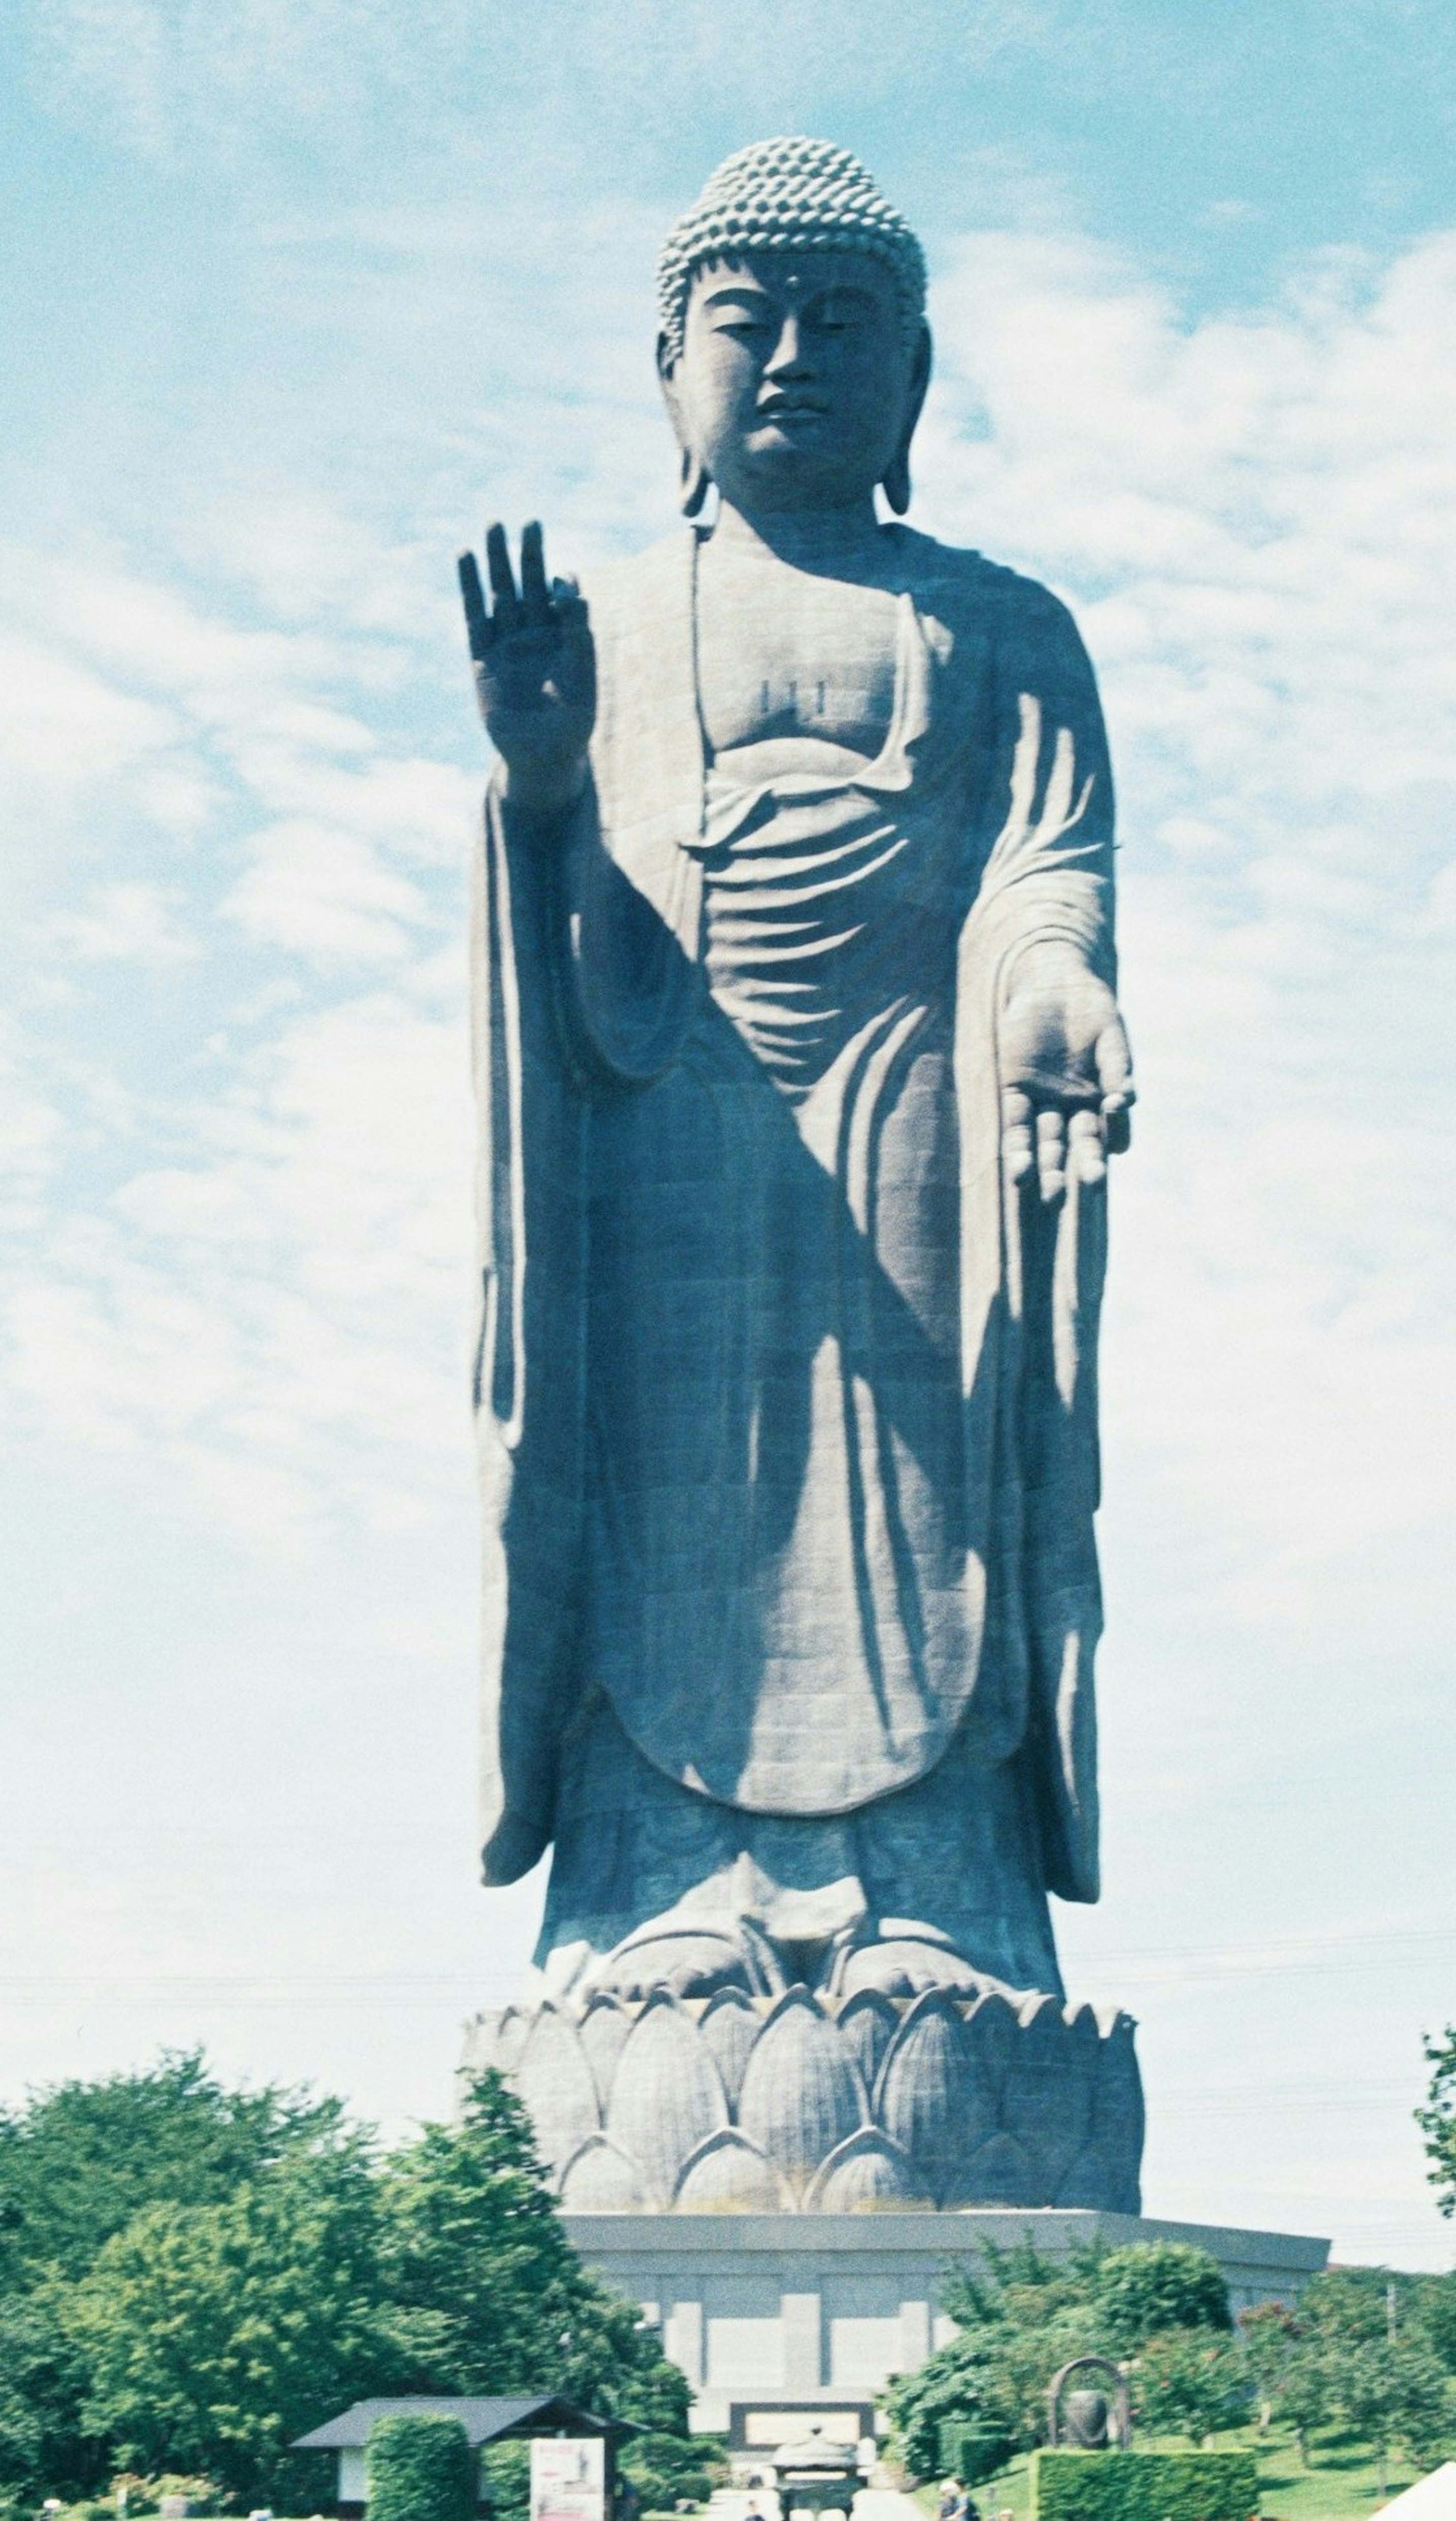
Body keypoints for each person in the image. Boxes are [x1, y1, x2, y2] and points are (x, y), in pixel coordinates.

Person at [462, 139, 1131, 2006]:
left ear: (914, 377)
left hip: (918, 1120)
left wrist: (1056, 980)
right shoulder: (602, 618)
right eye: (745, 319)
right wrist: (536, 782)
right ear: (665, 363)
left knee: (932, 1477)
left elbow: (1041, 867)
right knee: (667, 1486)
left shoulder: (1009, 629)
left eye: (848, 325)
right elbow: (576, 936)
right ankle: (658, 1888)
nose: (794, 359)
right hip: (669, 1126)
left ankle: (938, 1893)